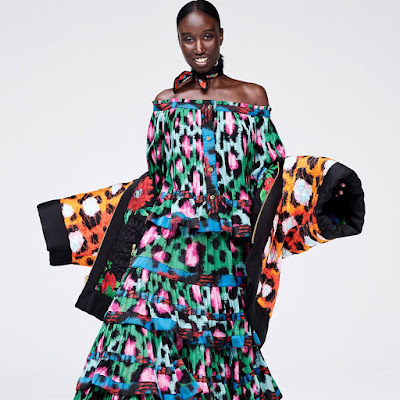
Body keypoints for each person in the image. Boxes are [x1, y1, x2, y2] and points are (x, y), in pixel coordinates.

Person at [72, 1, 348, 398]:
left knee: (217, 346)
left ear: (220, 36)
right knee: (134, 327)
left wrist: (322, 187)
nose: (198, 48)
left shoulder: (251, 97)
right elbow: (157, 180)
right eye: (188, 39)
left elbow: (270, 176)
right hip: (165, 246)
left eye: (206, 36)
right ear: (178, 41)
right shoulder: (166, 103)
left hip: (222, 251)